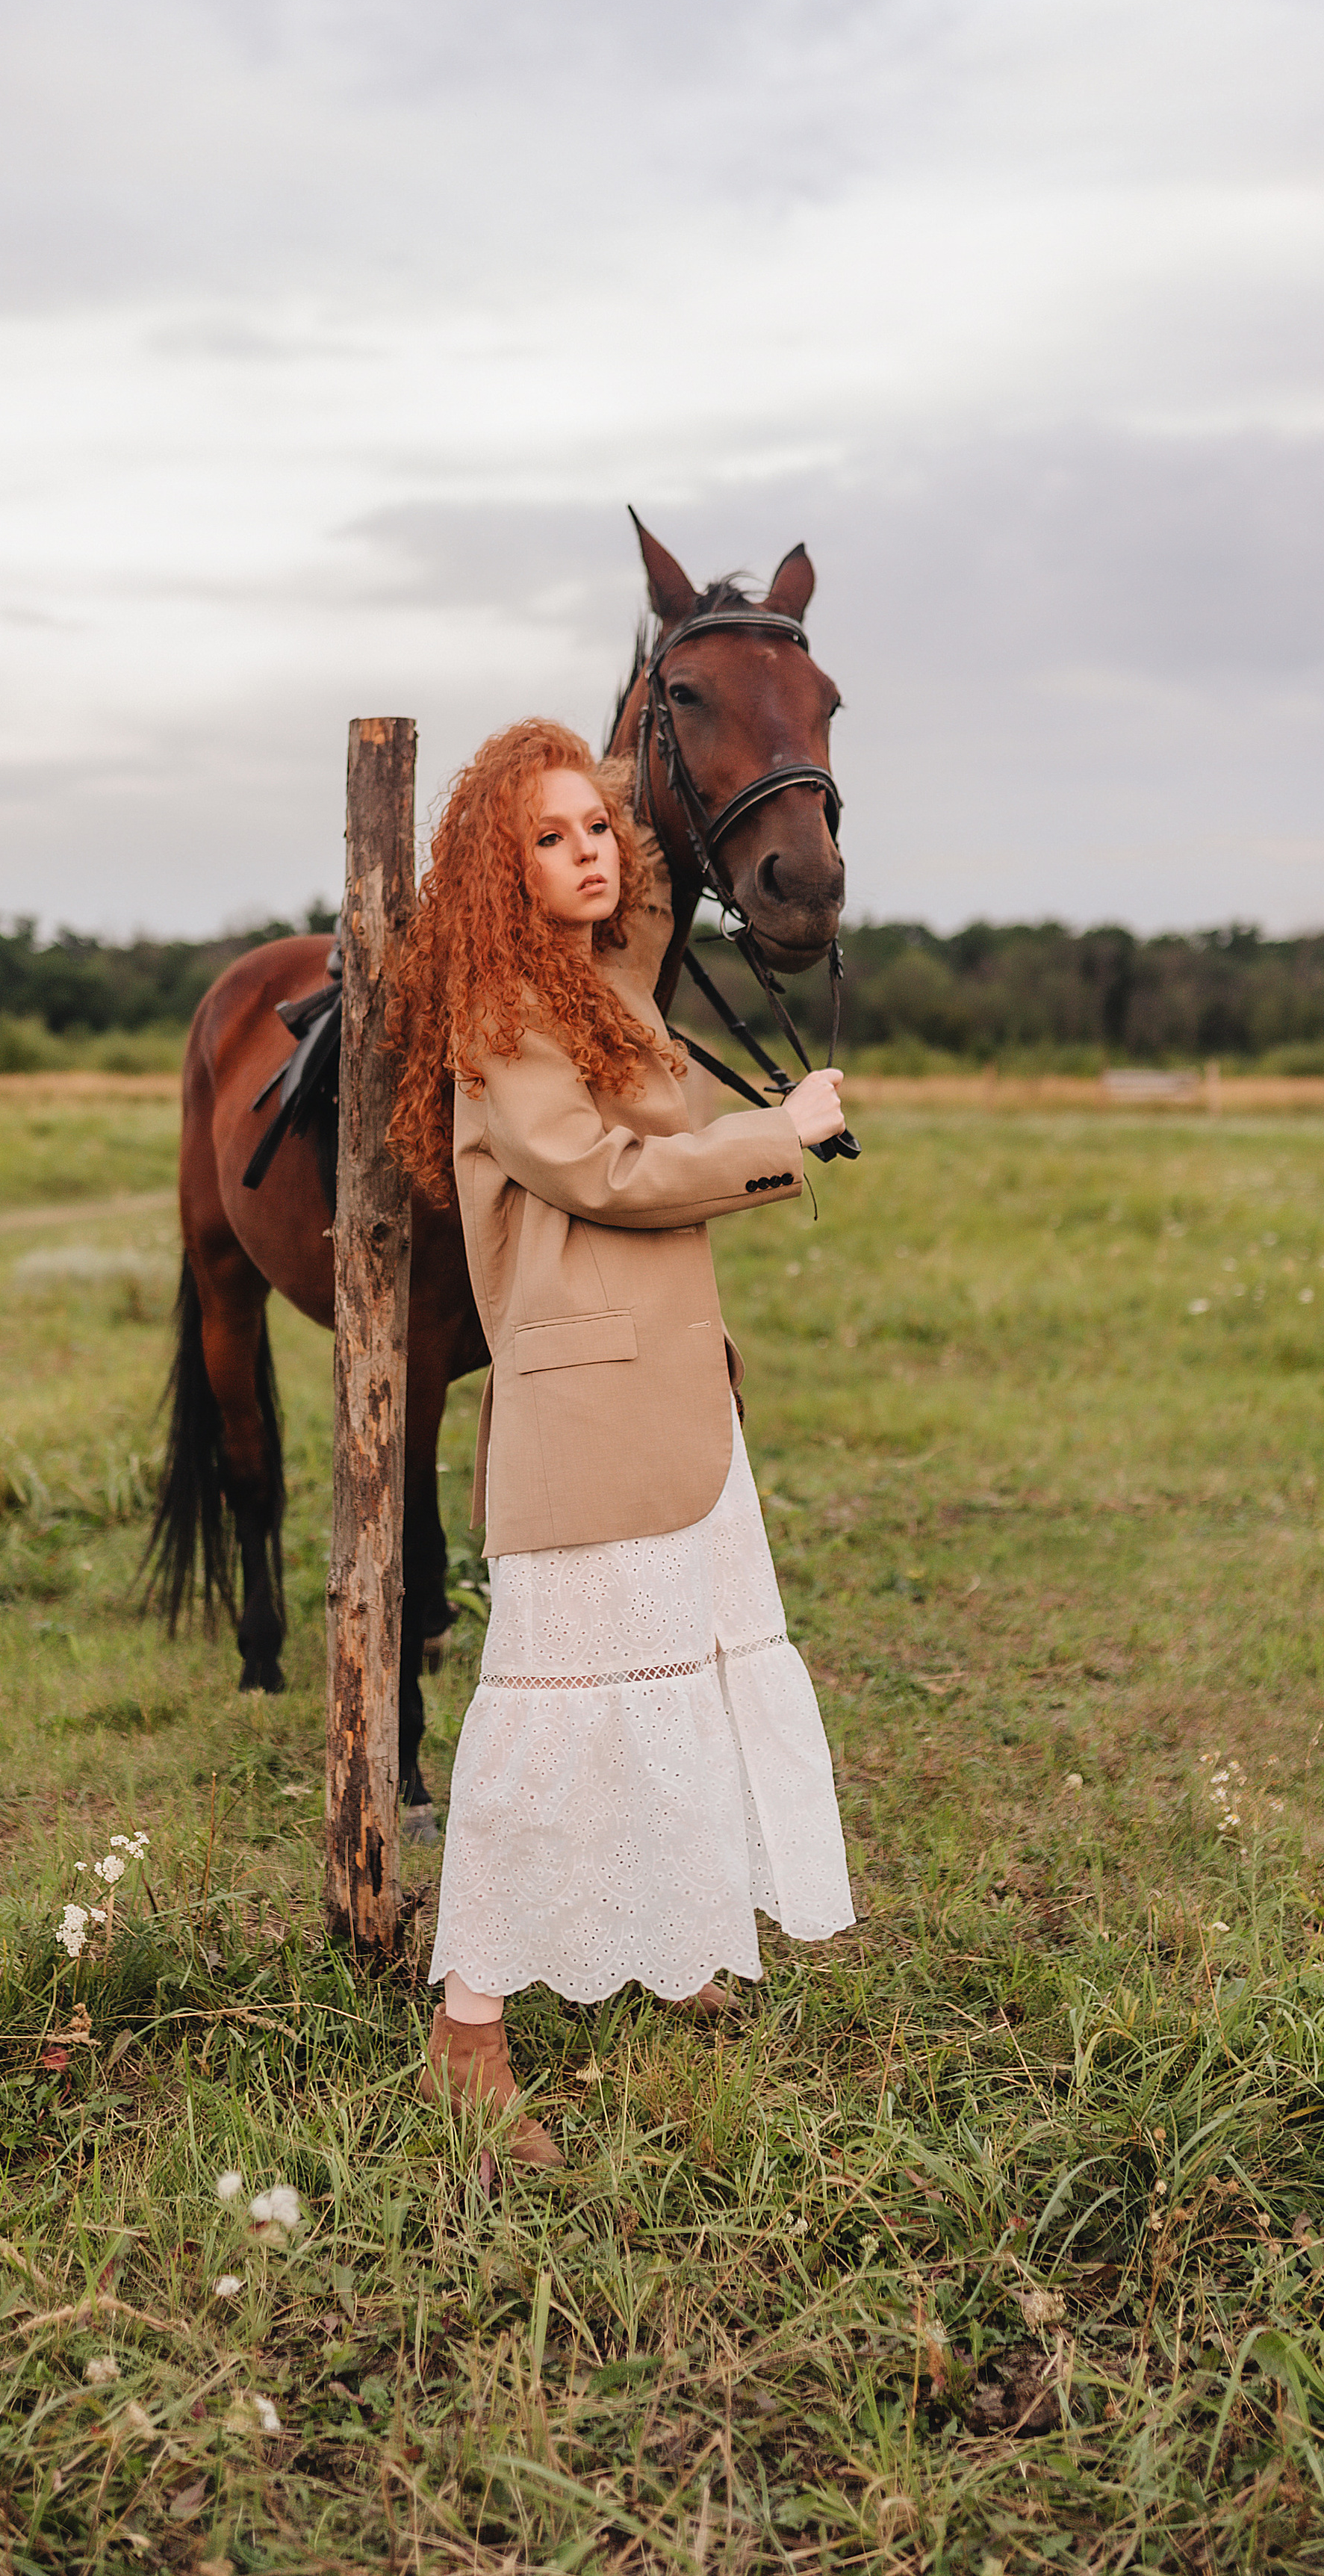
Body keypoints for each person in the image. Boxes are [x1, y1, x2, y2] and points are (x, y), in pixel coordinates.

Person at [388, 717, 854, 2168]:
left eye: (594, 826)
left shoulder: (600, 985)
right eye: (547, 837)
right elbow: (602, 1170)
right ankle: (468, 2032)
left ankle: (666, 1932)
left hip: (671, 1393)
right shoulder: (506, 1010)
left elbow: (650, 871)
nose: (588, 854)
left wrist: (652, 724)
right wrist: (776, 1133)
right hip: (586, 1405)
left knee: (679, 1670)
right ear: (493, 871)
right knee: (554, 1706)